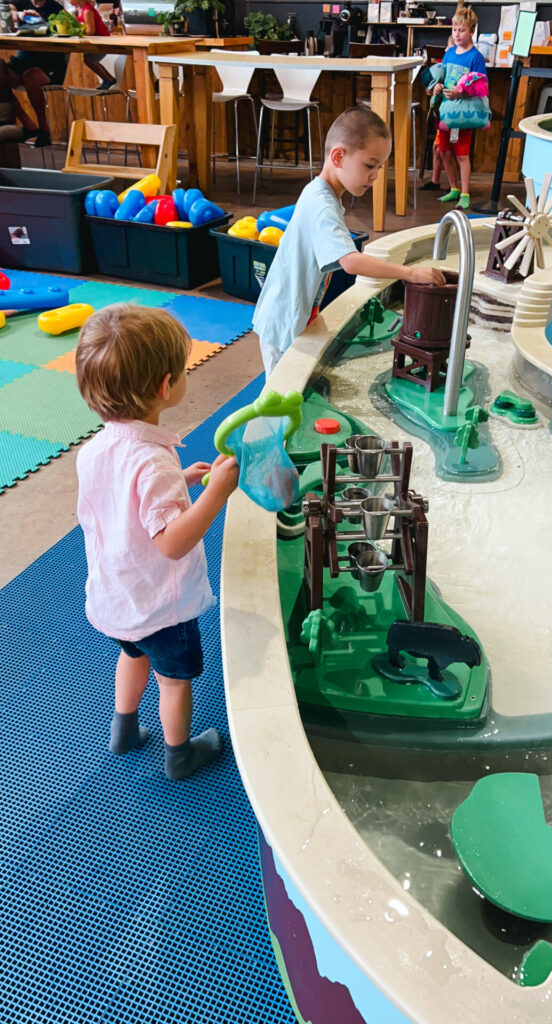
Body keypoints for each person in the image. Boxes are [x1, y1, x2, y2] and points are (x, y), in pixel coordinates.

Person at [75, 304, 239, 781]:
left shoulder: (95, 449)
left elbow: (123, 504)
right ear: (166, 386)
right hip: (159, 607)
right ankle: (179, 754)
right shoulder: (152, 460)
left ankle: (123, 731)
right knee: (173, 679)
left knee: (131, 655)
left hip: (116, 599)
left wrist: (182, 483)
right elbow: (171, 543)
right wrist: (213, 493)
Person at [253, 105, 446, 379]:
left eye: (380, 167)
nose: (375, 176)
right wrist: (410, 273)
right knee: (283, 398)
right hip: (283, 322)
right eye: (369, 165)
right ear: (338, 156)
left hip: (290, 314)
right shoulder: (322, 204)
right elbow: (351, 262)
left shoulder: (321, 193)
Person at [431, 6, 488, 211]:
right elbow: (443, 77)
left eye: (462, 30)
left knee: (462, 154)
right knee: (445, 150)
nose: (457, 34)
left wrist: (460, 93)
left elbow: (482, 87)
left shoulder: (476, 57)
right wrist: (438, 86)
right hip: (446, 111)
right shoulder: (449, 54)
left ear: (472, 31)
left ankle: (465, 193)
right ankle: (453, 188)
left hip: (463, 114)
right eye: (454, 29)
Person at [7, 0, 68, 146]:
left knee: (31, 75)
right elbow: (6, 11)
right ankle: (28, 124)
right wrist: (20, 15)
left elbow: (66, 27)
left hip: (49, 64)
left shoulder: (56, 8)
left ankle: (44, 128)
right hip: (23, 61)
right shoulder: (21, 3)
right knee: (1, 74)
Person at [69, 0, 116, 90]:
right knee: (88, 59)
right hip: (95, 41)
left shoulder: (87, 11)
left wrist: (75, 32)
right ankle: (109, 79)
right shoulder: (78, 9)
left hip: (102, 41)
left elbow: (91, 31)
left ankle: (108, 79)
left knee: (89, 59)